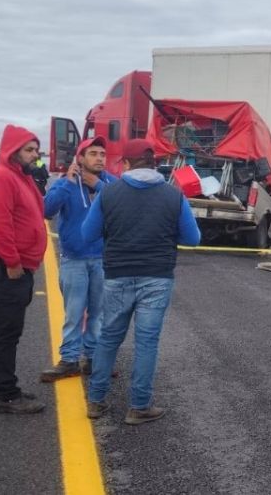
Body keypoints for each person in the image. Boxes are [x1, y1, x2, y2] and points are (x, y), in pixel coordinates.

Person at [82, 139, 200, 425]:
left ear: (125, 164)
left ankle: (96, 401)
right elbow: (193, 238)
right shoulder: (174, 196)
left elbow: (88, 234)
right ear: (154, 163)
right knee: (147, 342)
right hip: (157, 277)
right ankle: (139, 406)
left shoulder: (109, 194)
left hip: (118, 275)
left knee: (109, 337)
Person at [0, 125, 47, 414]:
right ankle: (6, 394)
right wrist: (13, 262)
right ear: (12, 151)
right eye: (29, 150)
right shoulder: (3, 178)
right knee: (6, 332)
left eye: (36, 150)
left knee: (6, 332)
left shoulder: (21, 178)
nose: (34, 155)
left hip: (11, 268)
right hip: (2, 269)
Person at [40, 138, 116, 382]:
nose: (99, 158)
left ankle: (92, 359)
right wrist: (68, 182)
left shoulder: (112, 183)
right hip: (74, 259)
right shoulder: (65, 184)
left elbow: (123, 204)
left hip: (102, 260)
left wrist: (99, 185)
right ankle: (70, 359)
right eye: (93, 153)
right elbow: (46, 209)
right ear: (80, 158)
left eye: (102, 154)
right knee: (74, 314)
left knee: (98, 313)